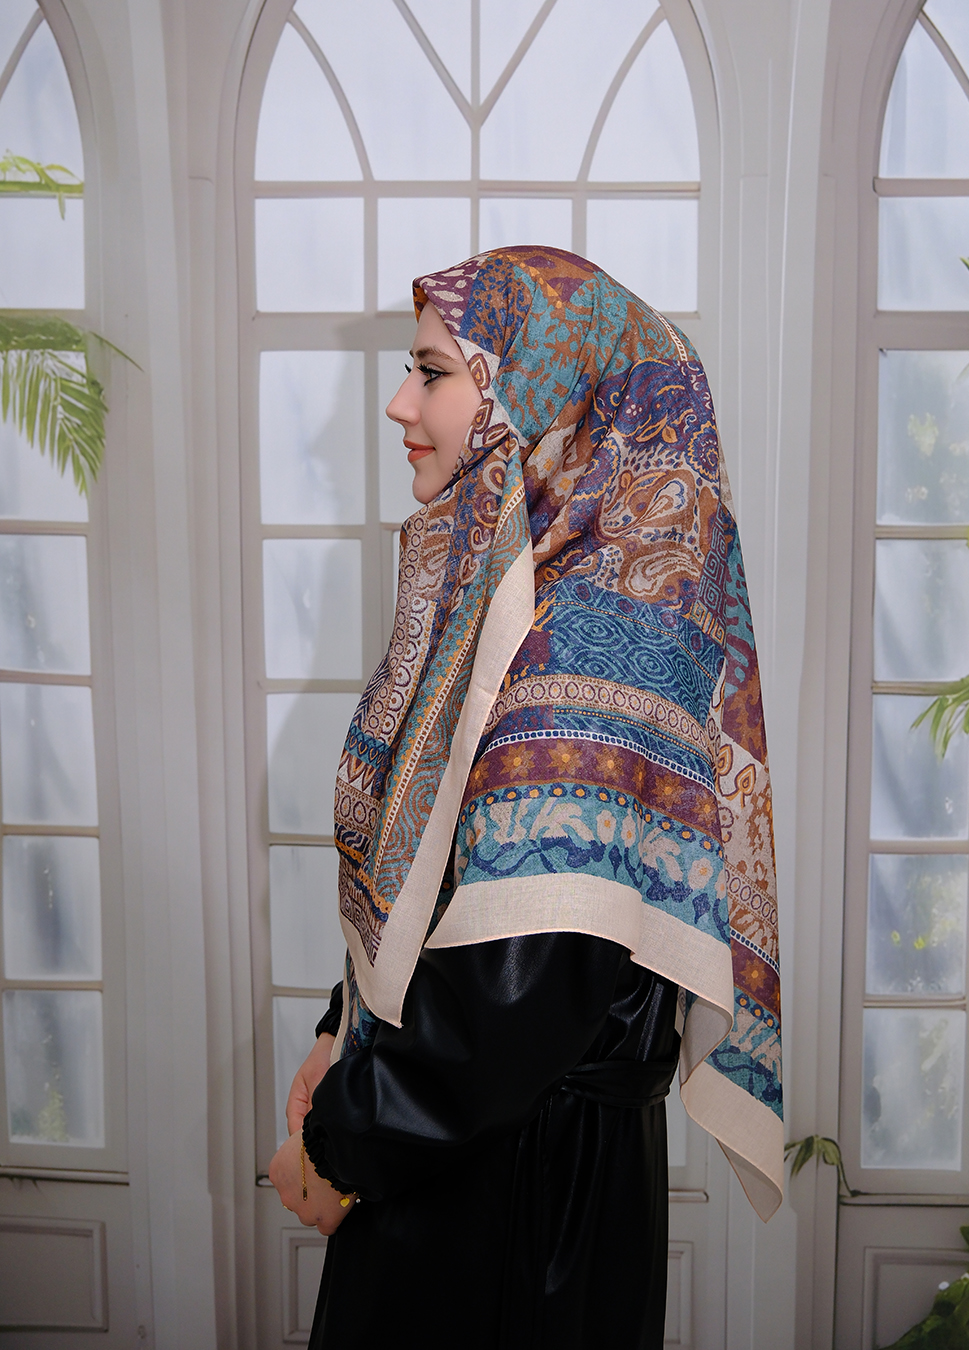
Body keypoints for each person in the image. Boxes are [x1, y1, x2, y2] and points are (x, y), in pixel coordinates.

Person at [268, 246, 783, 1348]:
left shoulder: (593, 639)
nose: (400, 404)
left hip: (508, 1201)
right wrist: (340, 1029)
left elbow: (517, 994)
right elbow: (452, 871)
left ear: (542, 399)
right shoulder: (531, 597)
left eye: (431, 373)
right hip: (482, 1160)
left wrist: (339, 1145)